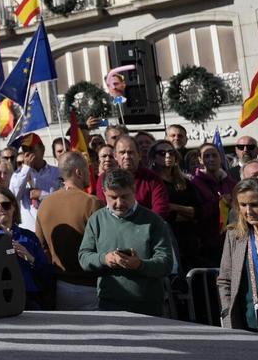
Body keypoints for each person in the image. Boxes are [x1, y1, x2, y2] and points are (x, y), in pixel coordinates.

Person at [78, 169, 174, 317]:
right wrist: (105, 259)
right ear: (104, 192)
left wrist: (140, 265)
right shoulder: (96, 220)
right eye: (113, 197)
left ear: (133, 190)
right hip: (110, 304)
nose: (119, 203)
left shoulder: (153, 221)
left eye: (124, 196)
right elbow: (84, 257)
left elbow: (166, 262)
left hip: (148, 305)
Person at [35, 150, 103, 310]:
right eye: (87, 170)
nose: (89, 174)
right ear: (78, 172)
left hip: (60, 286)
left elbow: (41, 246)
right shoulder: (92, 203)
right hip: (90, 286)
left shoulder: (45, 204)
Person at [0, 185, 51, 310]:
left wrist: (31, 259)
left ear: (13, 207)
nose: (0, 209)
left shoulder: (28, 237)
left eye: (5, 205)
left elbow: (46, 273)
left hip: (26, 297)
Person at [218, 179, 258, 332]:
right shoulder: (235, 236)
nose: (248, 211)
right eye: (243, 205)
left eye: (255, 204)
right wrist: (228, 312)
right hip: (247, 322)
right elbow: (225, 279)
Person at [150, 139, 211, 271]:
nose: (168, 156)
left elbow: (198, 212)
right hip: (166, 239)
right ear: (153, 157)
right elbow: (163, 214)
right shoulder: (151, 182)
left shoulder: (184, 182)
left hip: (190, 240)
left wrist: (174, 207)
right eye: (162, 153)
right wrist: (185, 212)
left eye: (171, 152)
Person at [96, 135, 170, 219]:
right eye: (122, 152)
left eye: (131, 152)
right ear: (115, 156)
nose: (127, 156)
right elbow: (102, 208)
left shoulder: (152, 179)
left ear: (139, 155)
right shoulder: (104, 178)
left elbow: (161, 208)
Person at [9, 133, 62, 230]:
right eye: (25, 150)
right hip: (29, 229)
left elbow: (63, 199)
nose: (28, 154)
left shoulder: (57, 172)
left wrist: (42, 194)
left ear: (42, 149)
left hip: (53, 226)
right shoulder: (18, 174)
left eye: (31, 149)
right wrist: (26, 169)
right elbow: (14, 196)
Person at [192, 141, 233, 263]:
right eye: (206, 156)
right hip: (209, 245)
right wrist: (218, 203)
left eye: (214, 155)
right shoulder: (194, 184)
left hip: (232, 240)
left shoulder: (231, 182)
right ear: (200, 160)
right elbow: (197, 213)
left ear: (220, 158)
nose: (211, 159)